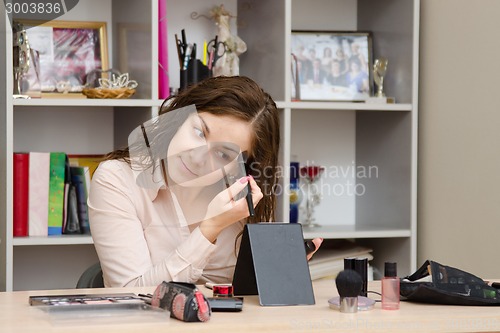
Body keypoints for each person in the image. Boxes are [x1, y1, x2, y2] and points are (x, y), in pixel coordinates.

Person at [88, 76, 322, 288]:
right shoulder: (117, 180)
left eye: (222, 155)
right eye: (200, 132)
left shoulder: (242, 198)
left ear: (242, 166)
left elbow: (246, 298)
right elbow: (130, 294)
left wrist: (276, 273)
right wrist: (210, 228)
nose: (197, 157)